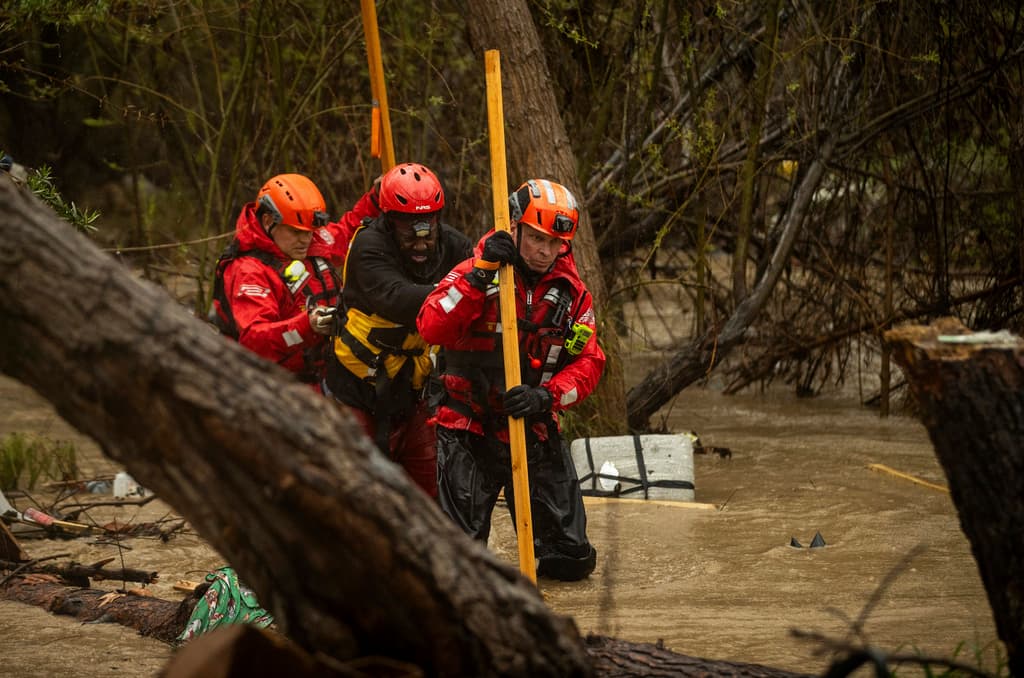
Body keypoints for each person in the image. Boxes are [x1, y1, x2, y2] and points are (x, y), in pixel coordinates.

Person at [416, 178, 605, 581]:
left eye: (555, 243)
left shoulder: (573, 294)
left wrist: (546, 397)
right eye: (537, 238)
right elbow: (431, 325)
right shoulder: (475, 271)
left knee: (571, 560)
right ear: (515, 226)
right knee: (456, 567)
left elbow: (589, 364)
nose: (545, 251)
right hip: (469, 430)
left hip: (532, 426)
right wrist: (481, 273)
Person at [324, 162, 472, 498]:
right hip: (358, 390)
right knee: (359, 497)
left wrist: (492, 261)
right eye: (409, 229)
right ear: (390, 221)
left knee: (435, 494)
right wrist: (465, 286)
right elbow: (402, 300)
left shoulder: (452, 245)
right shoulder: (368, 247)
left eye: (428, 226)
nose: (421, 240)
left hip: (413, 392)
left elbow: (484, 276)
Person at [210, 172, 377, 390]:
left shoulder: (307, 240)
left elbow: (347, 232)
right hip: (278, 388)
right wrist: (307, 326)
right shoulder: (249, 271)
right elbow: (255, 343)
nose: (306, 240)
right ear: (269, 221)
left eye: (310, 232)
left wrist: (376, 199)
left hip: (331, 375)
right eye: (297, 232)